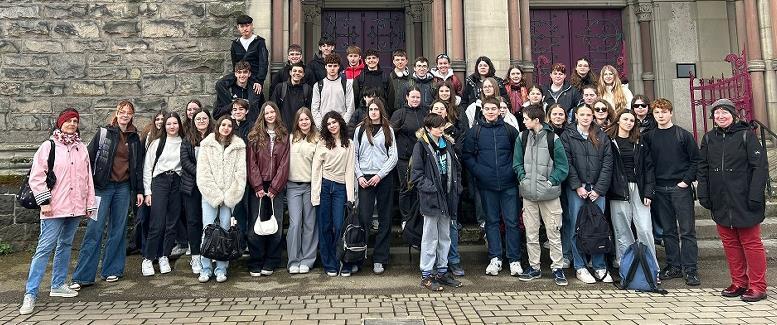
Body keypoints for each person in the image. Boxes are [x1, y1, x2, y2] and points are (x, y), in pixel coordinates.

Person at [19, 108, 96, 315]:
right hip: (53, 207)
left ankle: (58, 285)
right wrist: (44, 202)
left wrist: (89, 204)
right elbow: (37, 176)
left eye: (75, 121)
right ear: (59, 123)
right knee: (44, 249)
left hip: (74, 207)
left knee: (65, 245)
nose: (72, 124)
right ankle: (30, 293)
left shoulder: (81, 147)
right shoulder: (49, 146)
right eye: (68, 121)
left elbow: (88, 178)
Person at [698, 99, 769, 302]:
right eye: (717, 113)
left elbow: (759, 167)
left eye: (724, 112)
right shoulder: (709, 138)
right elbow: (702, 168)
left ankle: (757, 285)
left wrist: (755, 195)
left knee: (751, 243)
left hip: (744, 199)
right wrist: (704, 193)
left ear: (733, 115)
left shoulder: (746, 135)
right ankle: (739, 282)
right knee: (730, 243)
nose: (720, 116)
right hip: (720, 199)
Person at [70, 100, 144, 291]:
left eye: (129, 112)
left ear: (132, 115)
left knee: (118, 230)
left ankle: (112, 269)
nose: (125, 115)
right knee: (94, 230)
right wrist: (87, 187)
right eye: (122, 112)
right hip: (102, 188)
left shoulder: (135, 138)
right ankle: (83, 275)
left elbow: (138, 168)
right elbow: (88, 160)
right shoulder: (104, 133)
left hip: (123, 189)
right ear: (116, 113)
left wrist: (139, 191)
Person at [641, 98, 701, 286]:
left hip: (679, 188)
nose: (661, 115)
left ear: (671, 113)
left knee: (687, 231)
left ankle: (690, 269)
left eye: (664, 112)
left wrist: (685, 181)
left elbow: (696, 160)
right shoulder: (649, 137)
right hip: (659, 188)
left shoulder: (683, 135)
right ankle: (674, 265)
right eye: (657, 112)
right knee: (668, 231)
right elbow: (647, 164)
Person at [461, 97, 523, 277]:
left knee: (512, 222)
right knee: (492, 221)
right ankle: (495, 257)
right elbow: (468, 156)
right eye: (487, 109)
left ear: (499, 110)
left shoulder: (510, 130)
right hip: (487, 185)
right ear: (483, 111)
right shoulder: (475, 132)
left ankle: (514, 259)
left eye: (493, 109)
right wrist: (480, 172)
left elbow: (518, 155)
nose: (490, 111)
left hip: (509, 184)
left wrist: (513, 172)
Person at [512, 104, 570, 286]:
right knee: (531, 233)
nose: (523, 121)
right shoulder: (522, 137)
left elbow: (563, 167)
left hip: (550, 195)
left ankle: (557, 268)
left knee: (553, 232)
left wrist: (550, 182)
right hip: (529, 194)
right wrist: (523, 179)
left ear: (536, 120)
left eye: (526, 118)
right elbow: (517, 163)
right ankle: (534, 267)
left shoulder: (554, 138)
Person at [560, 105, 613, 284]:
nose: (585, 117)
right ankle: (580, 266)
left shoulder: (601, 135)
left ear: (593, 117)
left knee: (598, 227)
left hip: (598, 189)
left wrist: (598, 189)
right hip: (577, 189)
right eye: (582, 114)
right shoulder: (568, 135)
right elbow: (567, 162)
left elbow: (607, 164)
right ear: (576, 115)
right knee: (577, 227)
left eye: (589, 114)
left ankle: (599, 266)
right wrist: (577, 186)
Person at [412, 113, 463, 290]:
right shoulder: (421, 146)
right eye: (437, 126)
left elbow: (456, 168)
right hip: (431, 199)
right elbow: (417, 176)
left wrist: (457, 188)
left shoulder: (447, 143)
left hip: (448, 197)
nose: (441, 129)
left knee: (445, 236)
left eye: (442, 125)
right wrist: (433, 189)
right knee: (430, 237)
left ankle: (441, 272)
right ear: (428, 128)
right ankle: (426, 274)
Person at [196, 115, 247, 283]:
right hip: (210, 196)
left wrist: (229, 196)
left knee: (225, 232)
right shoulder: (207, 145)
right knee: (208, 230)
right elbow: (203, 173)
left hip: (229, 197)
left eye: (229, 125)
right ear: (217, 126)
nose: (226, 128)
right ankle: (205, 268)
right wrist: (216, 195)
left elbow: (240, 174)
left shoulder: (239, 146)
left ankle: (221, 268)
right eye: (223, 125)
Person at [605, 110, 658, 268]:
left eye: (632, 120)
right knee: (622, 230)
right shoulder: (609, 140)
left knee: (644, 228)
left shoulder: (639, 141)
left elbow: (649, 167)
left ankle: (650, 266)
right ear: (618, 121)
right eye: (625, 119)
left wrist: (649, 191)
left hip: (639, 189)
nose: (629, 122)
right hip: (618, 189)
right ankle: (626, 267)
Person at [354, 98, 398, 274]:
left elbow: (393, 156)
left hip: (383, 177)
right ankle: (358, 256)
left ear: (381, 111)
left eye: (376, 109)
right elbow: (354, 155)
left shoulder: (389, 129)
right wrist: (359, 176)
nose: (373, 112)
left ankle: (380, 258)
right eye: (370, 109)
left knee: (384, 218)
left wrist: (380, 175)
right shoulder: (360, 129)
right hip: (364, 177)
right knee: (363, 218)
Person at [246, 102, 290, 277]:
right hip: (258, 186)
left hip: (275, 187)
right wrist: (257, 186)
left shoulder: (284, 136)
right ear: (262, 115)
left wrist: (274, 188)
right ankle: (256, 260)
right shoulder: (254, 136)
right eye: (267, 112)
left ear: (277, 114)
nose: (270, 115)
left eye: (272, 112)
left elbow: (285, 164)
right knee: (255, 224)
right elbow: (252, 163)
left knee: (275, 224)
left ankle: (272, 260)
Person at [312, 111, 356, 277]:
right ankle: (329, 263)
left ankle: (343, 261)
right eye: (328, 124)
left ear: (340, 123)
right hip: (324, 186)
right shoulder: (322, 143)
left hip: (340, 188)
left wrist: (350, 197)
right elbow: (316, 169)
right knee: (325, 227)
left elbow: (350, 170)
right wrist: (315, 194)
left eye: (334, 122)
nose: (331, 126)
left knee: (339, 226)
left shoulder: (349, 143)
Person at [141, 112, 184, 277]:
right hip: (160, 182)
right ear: (164, 126)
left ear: (179, 125)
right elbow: (147, 168)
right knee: (156, 223)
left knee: (172, 223)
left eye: (175, 123)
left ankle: (164, 255)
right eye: (168, 124)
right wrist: (147, 192)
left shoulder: (183, 143)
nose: (172, 126)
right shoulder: (157, 143)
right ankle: (148, 258)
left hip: (177, 182)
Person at [428, 100, 465, 276]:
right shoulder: (423, 140)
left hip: (450, 190)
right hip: (432, 192)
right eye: (436, 109)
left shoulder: (450, 140)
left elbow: (457, 165)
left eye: (442, 109)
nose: (439, 111)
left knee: (451, 227)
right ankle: (433, 263)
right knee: (432, 230)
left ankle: (453, 260)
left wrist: (457, 187)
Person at [179, 109, 214, 275]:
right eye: (198, 118)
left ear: (209, 120)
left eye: (204, 118)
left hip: (210, 186)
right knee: (193, 222)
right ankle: (196, 255)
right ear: (194, 121)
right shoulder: (187, 139)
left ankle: (210, 252)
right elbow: (185, 162)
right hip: (192, 186)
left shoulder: (215, 137)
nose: (201, 121)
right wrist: (201, 173)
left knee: (210, 221)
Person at [128, 110, 166, 255]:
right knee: (142, 216)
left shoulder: (170, 137)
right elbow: (141, 160)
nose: (160, 121)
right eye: (157, 119)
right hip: (144, 181)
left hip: (160, 183)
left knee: (156, 218)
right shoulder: (147, 135)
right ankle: (142, 246)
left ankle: (155, 249)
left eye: (163, 118)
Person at [286, 107, 319, 274]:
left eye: (307, 119)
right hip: (293, 186)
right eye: (301, 120)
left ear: (311, 121)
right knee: (295, 224)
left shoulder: (318, 139)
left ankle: (307, 259)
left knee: (310, 224)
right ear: (297, 122)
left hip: (310, 186)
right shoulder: (290, 139)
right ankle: (294, 260)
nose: (304, 122)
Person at [391, 86, 430, 226]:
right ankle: (406, 218)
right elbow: (390, 134)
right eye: (412, 97)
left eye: (418, 97)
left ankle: (419, 216)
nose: (415, 100)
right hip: (404, 158)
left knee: (420, 187)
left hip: (422, 157)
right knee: (406, 187)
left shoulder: (425, 112)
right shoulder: (399, 113)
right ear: (407, 97)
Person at [311, 53, 355, 129]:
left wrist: (342, 125)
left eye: (335, 66)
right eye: (330, 66)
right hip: (323, 127)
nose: (332, 68)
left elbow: (350, 107)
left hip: (341, 127)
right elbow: (314, 109)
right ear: (325, 67)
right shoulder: (318, 85)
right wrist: (321, 126)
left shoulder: (346, 84)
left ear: (338, 67)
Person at [231, 15, 269, 95]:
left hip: (255, 79)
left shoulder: (259, 42)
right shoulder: (235, 44)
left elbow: (264, 63)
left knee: (253, 102)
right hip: (240, 77)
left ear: (252, 26)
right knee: (220, 84)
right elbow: (234, 64)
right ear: (238, 28)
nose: (245, 29)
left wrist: (259, 81)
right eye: (242, 26)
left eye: (247, 25)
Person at [270, 61, 312, 132]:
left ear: (303, 74)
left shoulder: (307, 89)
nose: (297, 73)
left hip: (301, 130)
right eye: (294, 71)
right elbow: (274, 108)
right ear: (290, 73)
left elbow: (310, 110)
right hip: (283, 130)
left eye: (300, 71)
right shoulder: (280, 88)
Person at [353, 49, 394, 113]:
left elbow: (391, 98)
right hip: (363, 114)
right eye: (369, 58)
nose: (371, 60)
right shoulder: (359, 78)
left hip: (382, 114)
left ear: (378, 60)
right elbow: (355, 99)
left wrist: (388, 114)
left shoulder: (386, 78)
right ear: (365, 61)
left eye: (374, 58)